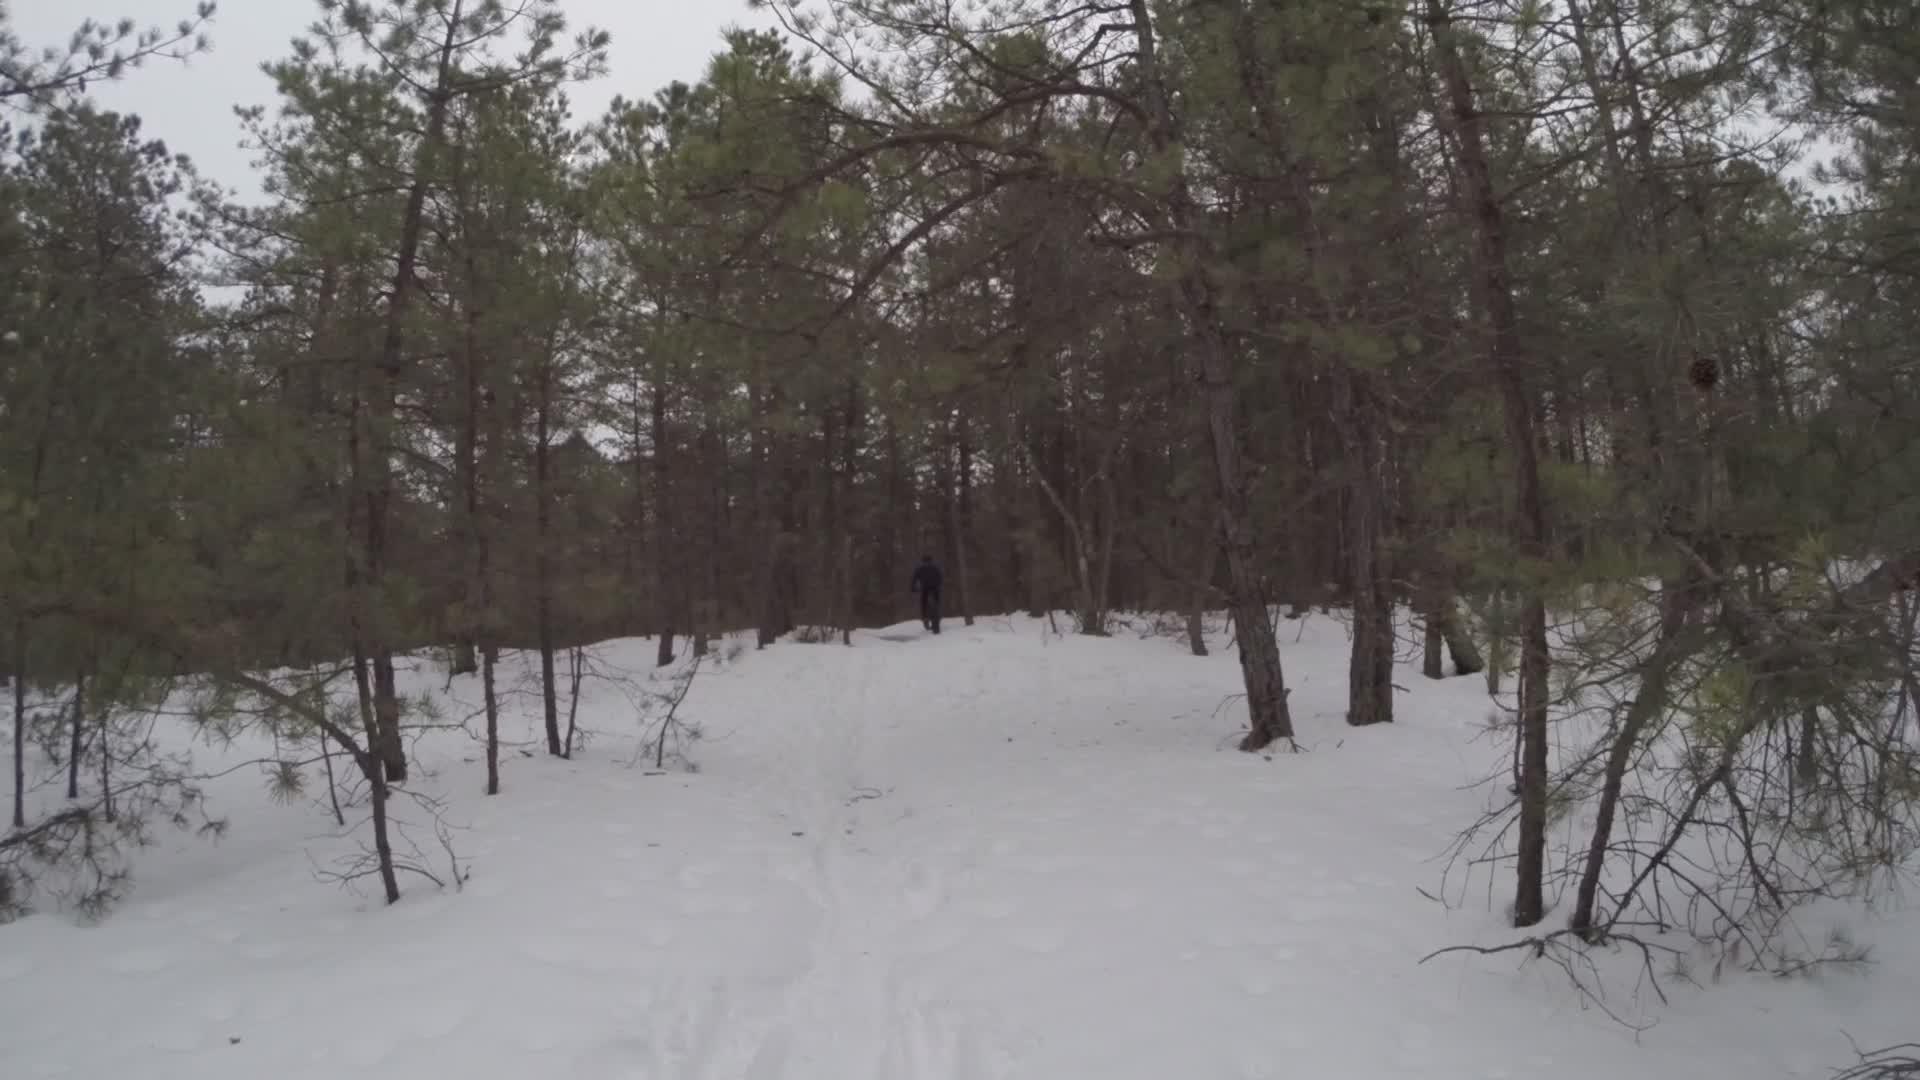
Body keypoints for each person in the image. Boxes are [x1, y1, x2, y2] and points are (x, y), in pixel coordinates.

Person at [910, 554, 944, 634]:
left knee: (923, 604)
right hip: (935, 588)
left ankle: (925, 618)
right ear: (931, 560)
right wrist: (939, 585)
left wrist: (913, 588)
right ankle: (937, 620)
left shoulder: (919, 569)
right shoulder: (936, 568)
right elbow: (940, 577)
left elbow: (914, 579)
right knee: (937, 603)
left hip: (925, 589)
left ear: (923, 561)